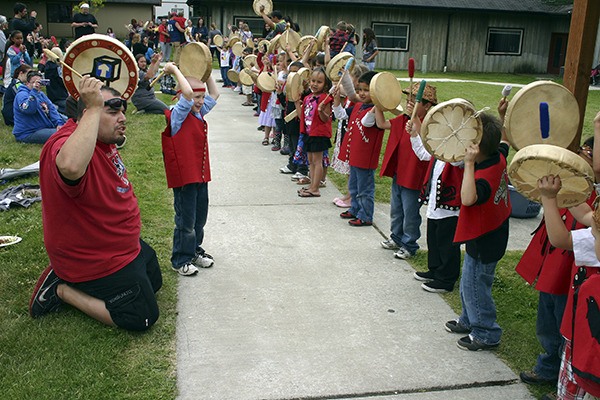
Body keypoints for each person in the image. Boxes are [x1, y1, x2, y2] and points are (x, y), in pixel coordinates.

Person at [29, 76, 163, 331]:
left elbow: (115, 137)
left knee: (153, 280)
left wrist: (103, 113)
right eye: (112, 112)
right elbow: (70, 166)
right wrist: (92, 107)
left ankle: (81, 283)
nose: (123, 118)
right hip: (93, 258)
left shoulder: (102, 138)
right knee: (142, 316)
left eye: (122, 111)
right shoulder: (66, 144)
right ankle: (60, 289)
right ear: (86, 115)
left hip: (117, 246)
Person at [445, 111, 511, 351]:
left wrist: (469, 164)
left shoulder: (483, 174)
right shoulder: (498, 155)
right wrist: (501, 117)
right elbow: (505, 141)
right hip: (489, 233)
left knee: (475, 285)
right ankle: (468, 319)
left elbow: (468, 198)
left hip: (486, 240)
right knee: (468, 281)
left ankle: (486, 331)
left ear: (476, 148)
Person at [538, 175, 600, 400]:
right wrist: (561, 191)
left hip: (586, 343)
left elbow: (560, 237)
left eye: (596, 234)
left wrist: (548, 198)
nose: (591, 235)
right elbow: (586, 215)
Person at [159, 62, 220, 276]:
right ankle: (180, 258)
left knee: (199, 218)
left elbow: (215, 92)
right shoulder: (178, 114)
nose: (200, 102)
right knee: (185, 221)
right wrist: (175, 69)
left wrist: (207, 69)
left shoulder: (197, 111)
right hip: (185, 179)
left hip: (200, 176)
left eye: (201, 98)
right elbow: (187, 92)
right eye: (196, 97)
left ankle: (194, 251)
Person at [375, 85, 434, 258]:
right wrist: (379, 103)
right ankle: (396, 237)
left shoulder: (428, 124)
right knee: (396, 209)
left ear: (427, 105)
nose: (409, 104)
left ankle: (409, 244)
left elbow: (422, 136)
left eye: (414, 102)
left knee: (410, 213)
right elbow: (381, 123)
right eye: (408, 101)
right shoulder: (403, 120)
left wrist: (414, 115)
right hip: (399, 174)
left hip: (414, 177)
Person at [333, 70, 385, 225]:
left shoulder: (375, 112)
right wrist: (336, 99)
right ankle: (355, 209)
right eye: (359, 90)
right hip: (354, 155)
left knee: (365, 188)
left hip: (365, 158)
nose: (361, 94)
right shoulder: (358, 106)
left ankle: (365, 215)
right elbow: (341, 115)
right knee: (354, 186)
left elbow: (366, 123)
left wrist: (378, 103)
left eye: (366, 90)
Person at [296, 67, 333, 198]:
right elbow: (303, 117)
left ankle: (316, 188)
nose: (315, 84)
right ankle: (312, 185)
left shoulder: (325, 98)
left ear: (325, 84)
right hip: (309, 133)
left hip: (319, 134)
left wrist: (322, 110)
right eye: (313, 81)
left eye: (319, 82)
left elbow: (325, 119)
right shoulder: (308, 98)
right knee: (310, 161)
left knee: (318, 161)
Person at [13, 70, 65, 143]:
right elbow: (29, 110)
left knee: (69, 125)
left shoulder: (40, 94)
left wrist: (59, 123)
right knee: (63, 134)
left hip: (43, 127)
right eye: (34, 82)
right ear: (27, 83)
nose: (37, 85)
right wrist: (34, 92)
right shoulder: (21, 95)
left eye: (39, 82)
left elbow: (52, 109)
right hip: (28, 132)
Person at [44, 47, 68, 114]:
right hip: (61, 95)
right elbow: (62, 81)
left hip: (51, 94)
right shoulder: (57, 68)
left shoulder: (47, 67)